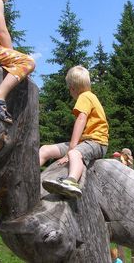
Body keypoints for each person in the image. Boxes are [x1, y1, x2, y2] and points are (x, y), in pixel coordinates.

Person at [40, 66, 109, 198]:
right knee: (45, 150)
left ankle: (71, 181)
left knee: (74, 153)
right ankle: (27, 176)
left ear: (72, 88)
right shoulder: (90, 96)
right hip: (85, 142)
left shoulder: (85, 97)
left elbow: (81, 119)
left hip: (97, 142)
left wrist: (72, 148)